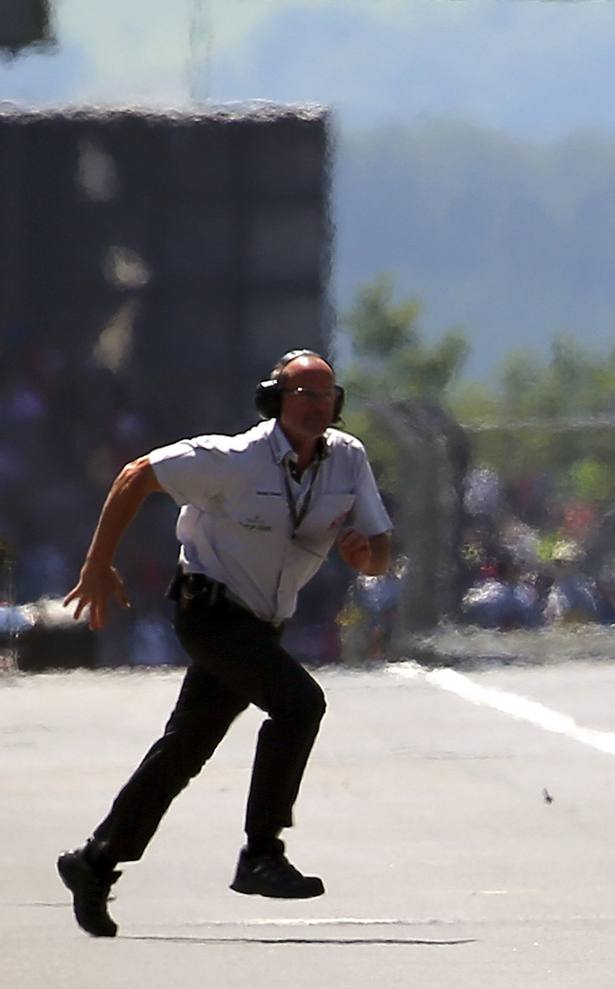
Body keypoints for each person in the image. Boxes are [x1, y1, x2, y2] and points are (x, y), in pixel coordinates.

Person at [55, 350, 392, 938]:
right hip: (209, 611)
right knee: (300, 703)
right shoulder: (234, 460)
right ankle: (261, 853)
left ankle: (95, 862)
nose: (316, 407)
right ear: (274, 401)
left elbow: (381, 550)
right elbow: (137, 475)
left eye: (326, 396)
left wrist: (368, 557)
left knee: (184, 750)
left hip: (261, 623)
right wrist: (99, 562)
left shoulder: (348, 461)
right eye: (303, 394)